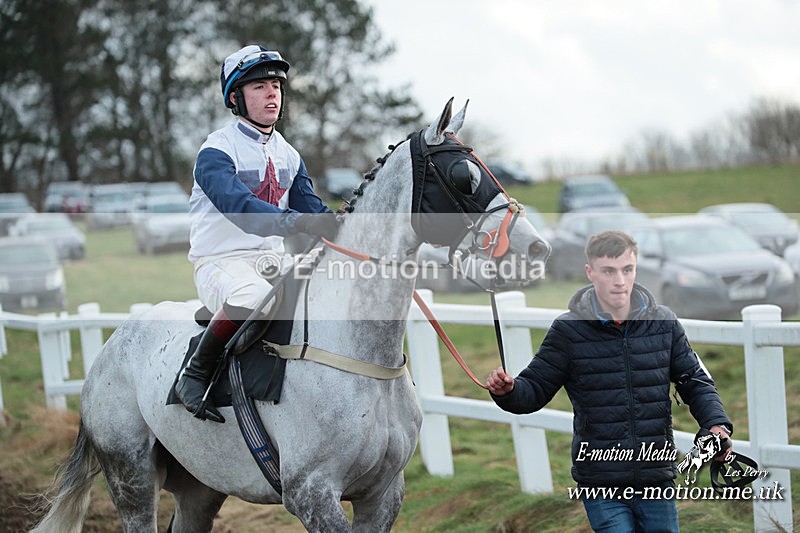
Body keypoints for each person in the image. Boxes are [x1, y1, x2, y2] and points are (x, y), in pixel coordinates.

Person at [487, 230, 733, 532]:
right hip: (600, 480)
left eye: (627, 269)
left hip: (656, 476)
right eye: (609, 271)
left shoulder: (664, 323)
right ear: (590, 272)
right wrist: (508, 390)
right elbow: (534, 390)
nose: (620, 281)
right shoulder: (568, 331)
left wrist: (716, 424)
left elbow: (695, 381)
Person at [175, 44, 338, 423]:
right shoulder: (215, 151)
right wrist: (298, 223)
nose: (271, 94)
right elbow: (241, 210)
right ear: (235, 98)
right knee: (253, 297)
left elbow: (313, 208)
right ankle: (194, 373)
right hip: (220, 263)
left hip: (272, 262)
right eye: (259, 87)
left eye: (276, 86)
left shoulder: (289, 154)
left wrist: (346, 225)